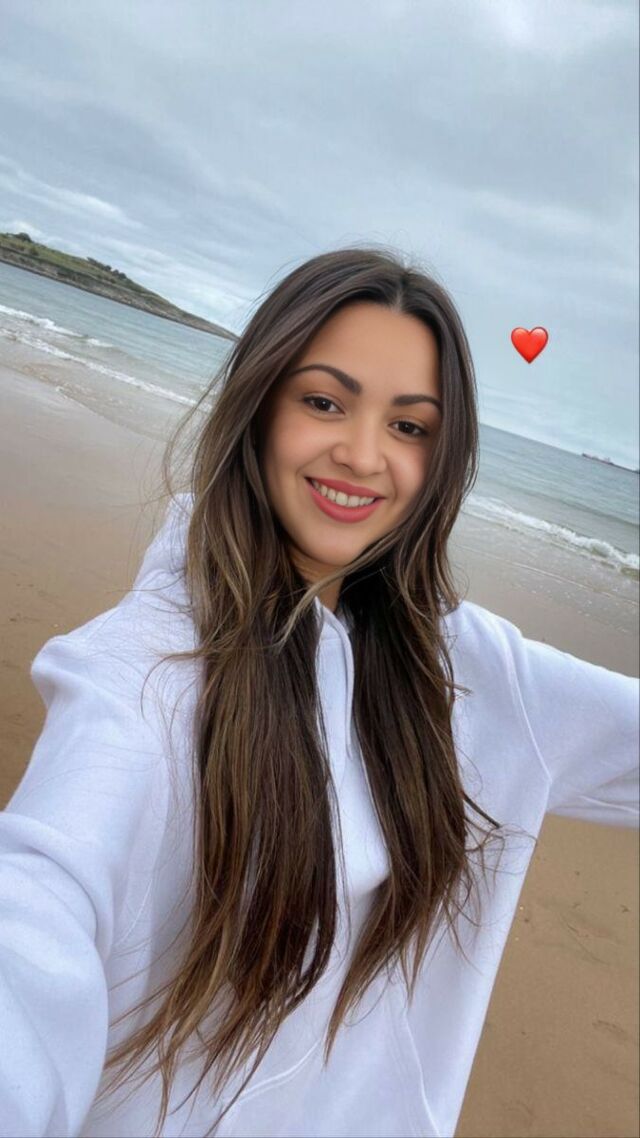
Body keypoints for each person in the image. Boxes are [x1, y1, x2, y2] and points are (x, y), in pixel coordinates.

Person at [0, 247, 638, 1138]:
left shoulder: (469, 664)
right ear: (260, 402)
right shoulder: (144, 670)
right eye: (325, 402)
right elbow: (40, 908)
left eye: (409, 426)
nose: (364, 455)